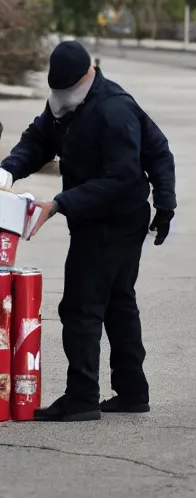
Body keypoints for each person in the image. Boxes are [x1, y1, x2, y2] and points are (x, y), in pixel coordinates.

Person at [0, 40, 177, 422]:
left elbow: (123, 179)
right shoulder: (68, 103)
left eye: (66, 91)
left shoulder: (114, 110)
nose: (59, 98)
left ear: (87, 75)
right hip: (99, 216)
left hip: (115, 220)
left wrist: (60, 205)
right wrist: (8, 169)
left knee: (81, 306)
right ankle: (132, 392)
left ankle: (82, 397)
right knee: (116, 302)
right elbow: (39, 140)